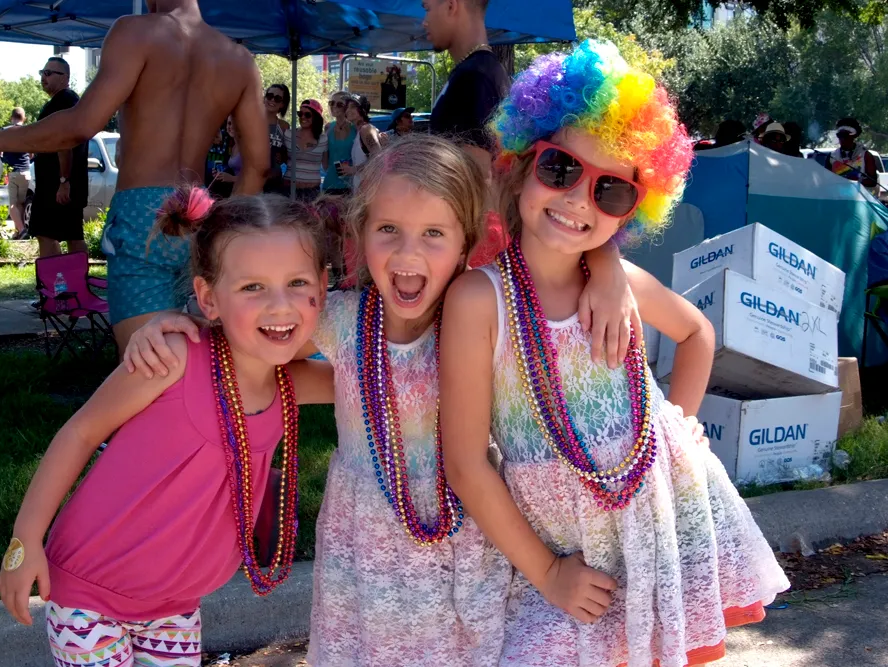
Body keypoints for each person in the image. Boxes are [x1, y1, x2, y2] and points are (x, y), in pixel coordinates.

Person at [119, 136, 643, 666]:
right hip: (363, 555)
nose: (408, 253)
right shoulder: (342, 319)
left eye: (434, 233)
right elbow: (247, 345)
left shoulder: (485, 313)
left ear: (466, 242)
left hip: (468, 553)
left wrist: (608, 266)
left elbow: (560, 249)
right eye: (388, 229)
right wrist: (177, 323)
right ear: (359, 233)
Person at [440, 41, 789, 667]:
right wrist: (548, 573)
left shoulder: (620, 278)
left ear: (634, 208)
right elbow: (466, 464)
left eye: (613, 191)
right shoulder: (479, 300)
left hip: (660, 526)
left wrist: (680, 424)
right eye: (560, 169)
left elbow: (697, 334)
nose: (579, 200)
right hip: (563, 554)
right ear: (521, 162)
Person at [0, 190, 332, 666]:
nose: (280, 306)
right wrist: (24, 541)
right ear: (208, 297)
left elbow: (380, 369)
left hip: (175, 605)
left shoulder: (290, 383)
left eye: (297, 283)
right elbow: (81, 432)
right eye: (252, 287)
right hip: (90, 593)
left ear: (323, 287)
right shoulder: (170, 358)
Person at [0, 0, 272, 352]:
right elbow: (258, 166)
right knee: (205, 357)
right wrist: (225, 234)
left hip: (143, 214)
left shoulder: (135, 32)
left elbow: (81, 125)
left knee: (145, 364)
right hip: (200, 215)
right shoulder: (239, 60)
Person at [423, 0, 509, 180]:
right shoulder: (480, 71)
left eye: (427, 9)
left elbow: (480, 179)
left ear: (451, 6)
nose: (425, 21)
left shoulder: (474, 77)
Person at [24, 57, 88, 258]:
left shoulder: (63, 101)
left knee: (47, 235)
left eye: (49, 73)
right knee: (72, 235)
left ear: (65, 78)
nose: (44, 77)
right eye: (42, 72)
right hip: (61, 184)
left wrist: (63, 180)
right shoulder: (69, 101)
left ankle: (54, 277)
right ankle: (73, 277)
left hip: (58, 185)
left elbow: (63, 143)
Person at [283, 99, 327, 201]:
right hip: (288, 190)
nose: (302, 117)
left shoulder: (324, 139)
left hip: (312, 193)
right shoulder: (288, 134)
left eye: (307, 115)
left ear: (316, 117)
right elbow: (282, 158)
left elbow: (326, 165)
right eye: (300, 114)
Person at [820, 117, 879, 188]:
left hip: (858, 194)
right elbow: (826, 180)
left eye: (845, 136)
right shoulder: (832, 156)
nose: (842, 139)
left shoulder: (865, 155)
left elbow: (873, 182)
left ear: (853, 137)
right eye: (839, 136)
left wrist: (855, 181)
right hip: (837, 194)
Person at [1, 107, 32, 240]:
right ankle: (17, 232)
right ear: (24, 118)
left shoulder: (5, 131)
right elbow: (31, 153)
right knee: (20, 203)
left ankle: (22, 230)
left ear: (11, 118)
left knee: (13, 205)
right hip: (26, 172)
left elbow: (0, 151)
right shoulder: (28, 131)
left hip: (12, 172)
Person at [340, 94, 381, 190]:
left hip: (369, 191)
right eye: (347, 107)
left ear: (362, 110)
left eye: (353, 107)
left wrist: (353, 169)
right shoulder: (359, 132)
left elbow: (379, 159)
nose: (348, 110)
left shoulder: (366, 129)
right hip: (361, 191)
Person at [321, 91, 356, 197]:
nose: (334, 106)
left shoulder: (355, 128)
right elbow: (325, 159)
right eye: (331, 103)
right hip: (329, 184)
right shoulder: (328, 127)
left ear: (347, 107)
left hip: (350, 186)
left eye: (339, 104)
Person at [264, 83, 292, 193]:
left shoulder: (284, 126)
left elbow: (287, 155)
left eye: (277, 98)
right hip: (253, 178)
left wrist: (282, 157)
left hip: (273, 181)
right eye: (269, 96)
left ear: (282, 104)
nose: (272, 100)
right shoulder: (252, 121)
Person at [206, 117, 240, 198]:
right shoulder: (234, 146)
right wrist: (219, 173)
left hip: (243, 193)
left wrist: (231, 178)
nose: (231, 126)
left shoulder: (244, 145)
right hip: (230, 193)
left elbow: (253, 176)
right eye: (229, 123)